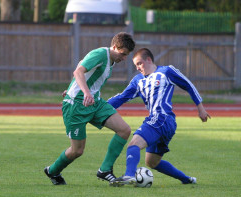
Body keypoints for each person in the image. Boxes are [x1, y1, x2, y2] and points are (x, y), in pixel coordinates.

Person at [108, 48, 211, 186]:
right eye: (135, 65)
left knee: (133, 144)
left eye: (139, 63)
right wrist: (100, 107)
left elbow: (188, 85)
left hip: (161, 118)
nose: (138, 68)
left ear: (149, 60)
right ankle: (187, 179)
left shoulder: (166, 72)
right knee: (152, 162)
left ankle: (129, 176)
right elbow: (121, 97)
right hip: (164, 124)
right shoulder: (138, 80)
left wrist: (201, 108)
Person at [44, 32, 136, 185]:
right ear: (114, 46)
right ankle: (52, 171)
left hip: (94, 102)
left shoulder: (111, 60)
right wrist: (83, 92)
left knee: (124, 130)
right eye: (123, 54)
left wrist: (73, 87)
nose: (124, 58)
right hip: (76, 105)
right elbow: (79, 71)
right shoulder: (100, 54)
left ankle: (105, 170)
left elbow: (82, 67)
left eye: (127, 55)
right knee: (77, 151)